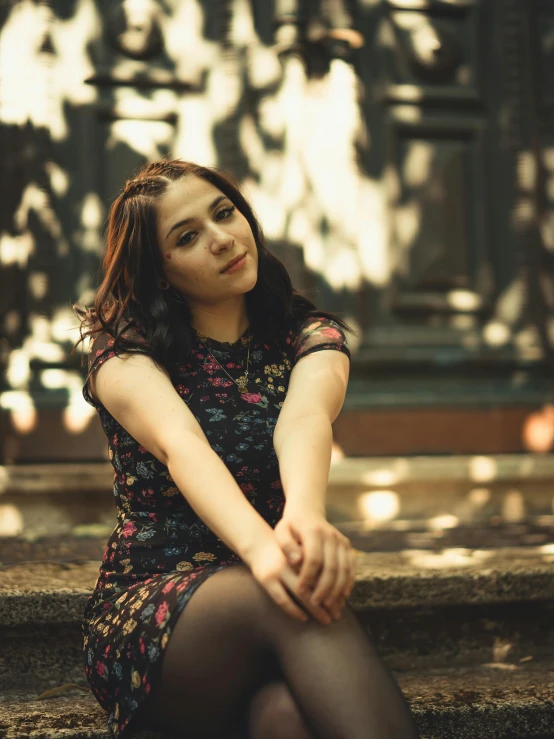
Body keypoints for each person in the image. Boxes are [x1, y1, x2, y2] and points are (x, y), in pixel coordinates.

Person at [72, 159, 419, 739]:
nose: (222, 239)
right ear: (160, 273)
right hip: (156, 613)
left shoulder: (309, 337)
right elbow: (184, 446)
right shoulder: (126, 353)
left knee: (284, 719)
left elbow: (304, 417)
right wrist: (265, 552)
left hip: (271, 586)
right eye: (187, 237)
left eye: (224, 213)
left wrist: (304, 516)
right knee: (280, 593)